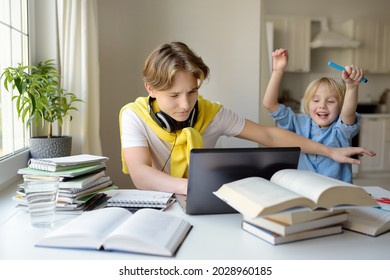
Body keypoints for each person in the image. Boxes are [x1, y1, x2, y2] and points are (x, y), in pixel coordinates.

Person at [120, 42, 375, 194]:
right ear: (150, 88)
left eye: (193, 91)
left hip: (205, 200)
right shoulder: (134, 115)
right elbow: (141, 174)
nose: (185, 104)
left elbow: (269, 135)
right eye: (174, 95)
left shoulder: (213, 113)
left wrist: (330, 152)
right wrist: (196, 189)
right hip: (159, 204)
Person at [263, 48, 364, 183]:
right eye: (316, 100)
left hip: (335, 194)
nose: (322, 105)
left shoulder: (340, 130)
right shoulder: (298, 123)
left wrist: (351, 87)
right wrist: (277, 71)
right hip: (304, 190)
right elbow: (270, 105)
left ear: (340, 107)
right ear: (307, 103)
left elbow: (348, 113)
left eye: (330, 101)